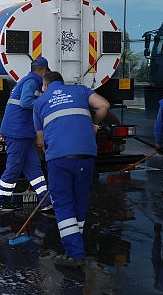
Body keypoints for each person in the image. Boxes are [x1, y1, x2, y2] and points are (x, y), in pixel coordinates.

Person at [32, 71, 110, 268]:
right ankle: (75, 242)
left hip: (59, 157)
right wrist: (95, 124)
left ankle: (75, 253)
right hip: (86, 153)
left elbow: (40, 141)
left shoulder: (40, 103)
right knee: (79, 199)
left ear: (46, 86)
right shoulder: (80, 90)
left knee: (63, 203)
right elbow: (104, 105)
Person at [0, 57, 51, 212]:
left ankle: (46, 201)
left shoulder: (27, 81)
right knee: (14, 167)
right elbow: (26, 103)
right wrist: (45, 100)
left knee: (34, 168)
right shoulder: (32, 82)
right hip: (18, 132)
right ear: (43, 71)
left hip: (21, 132)